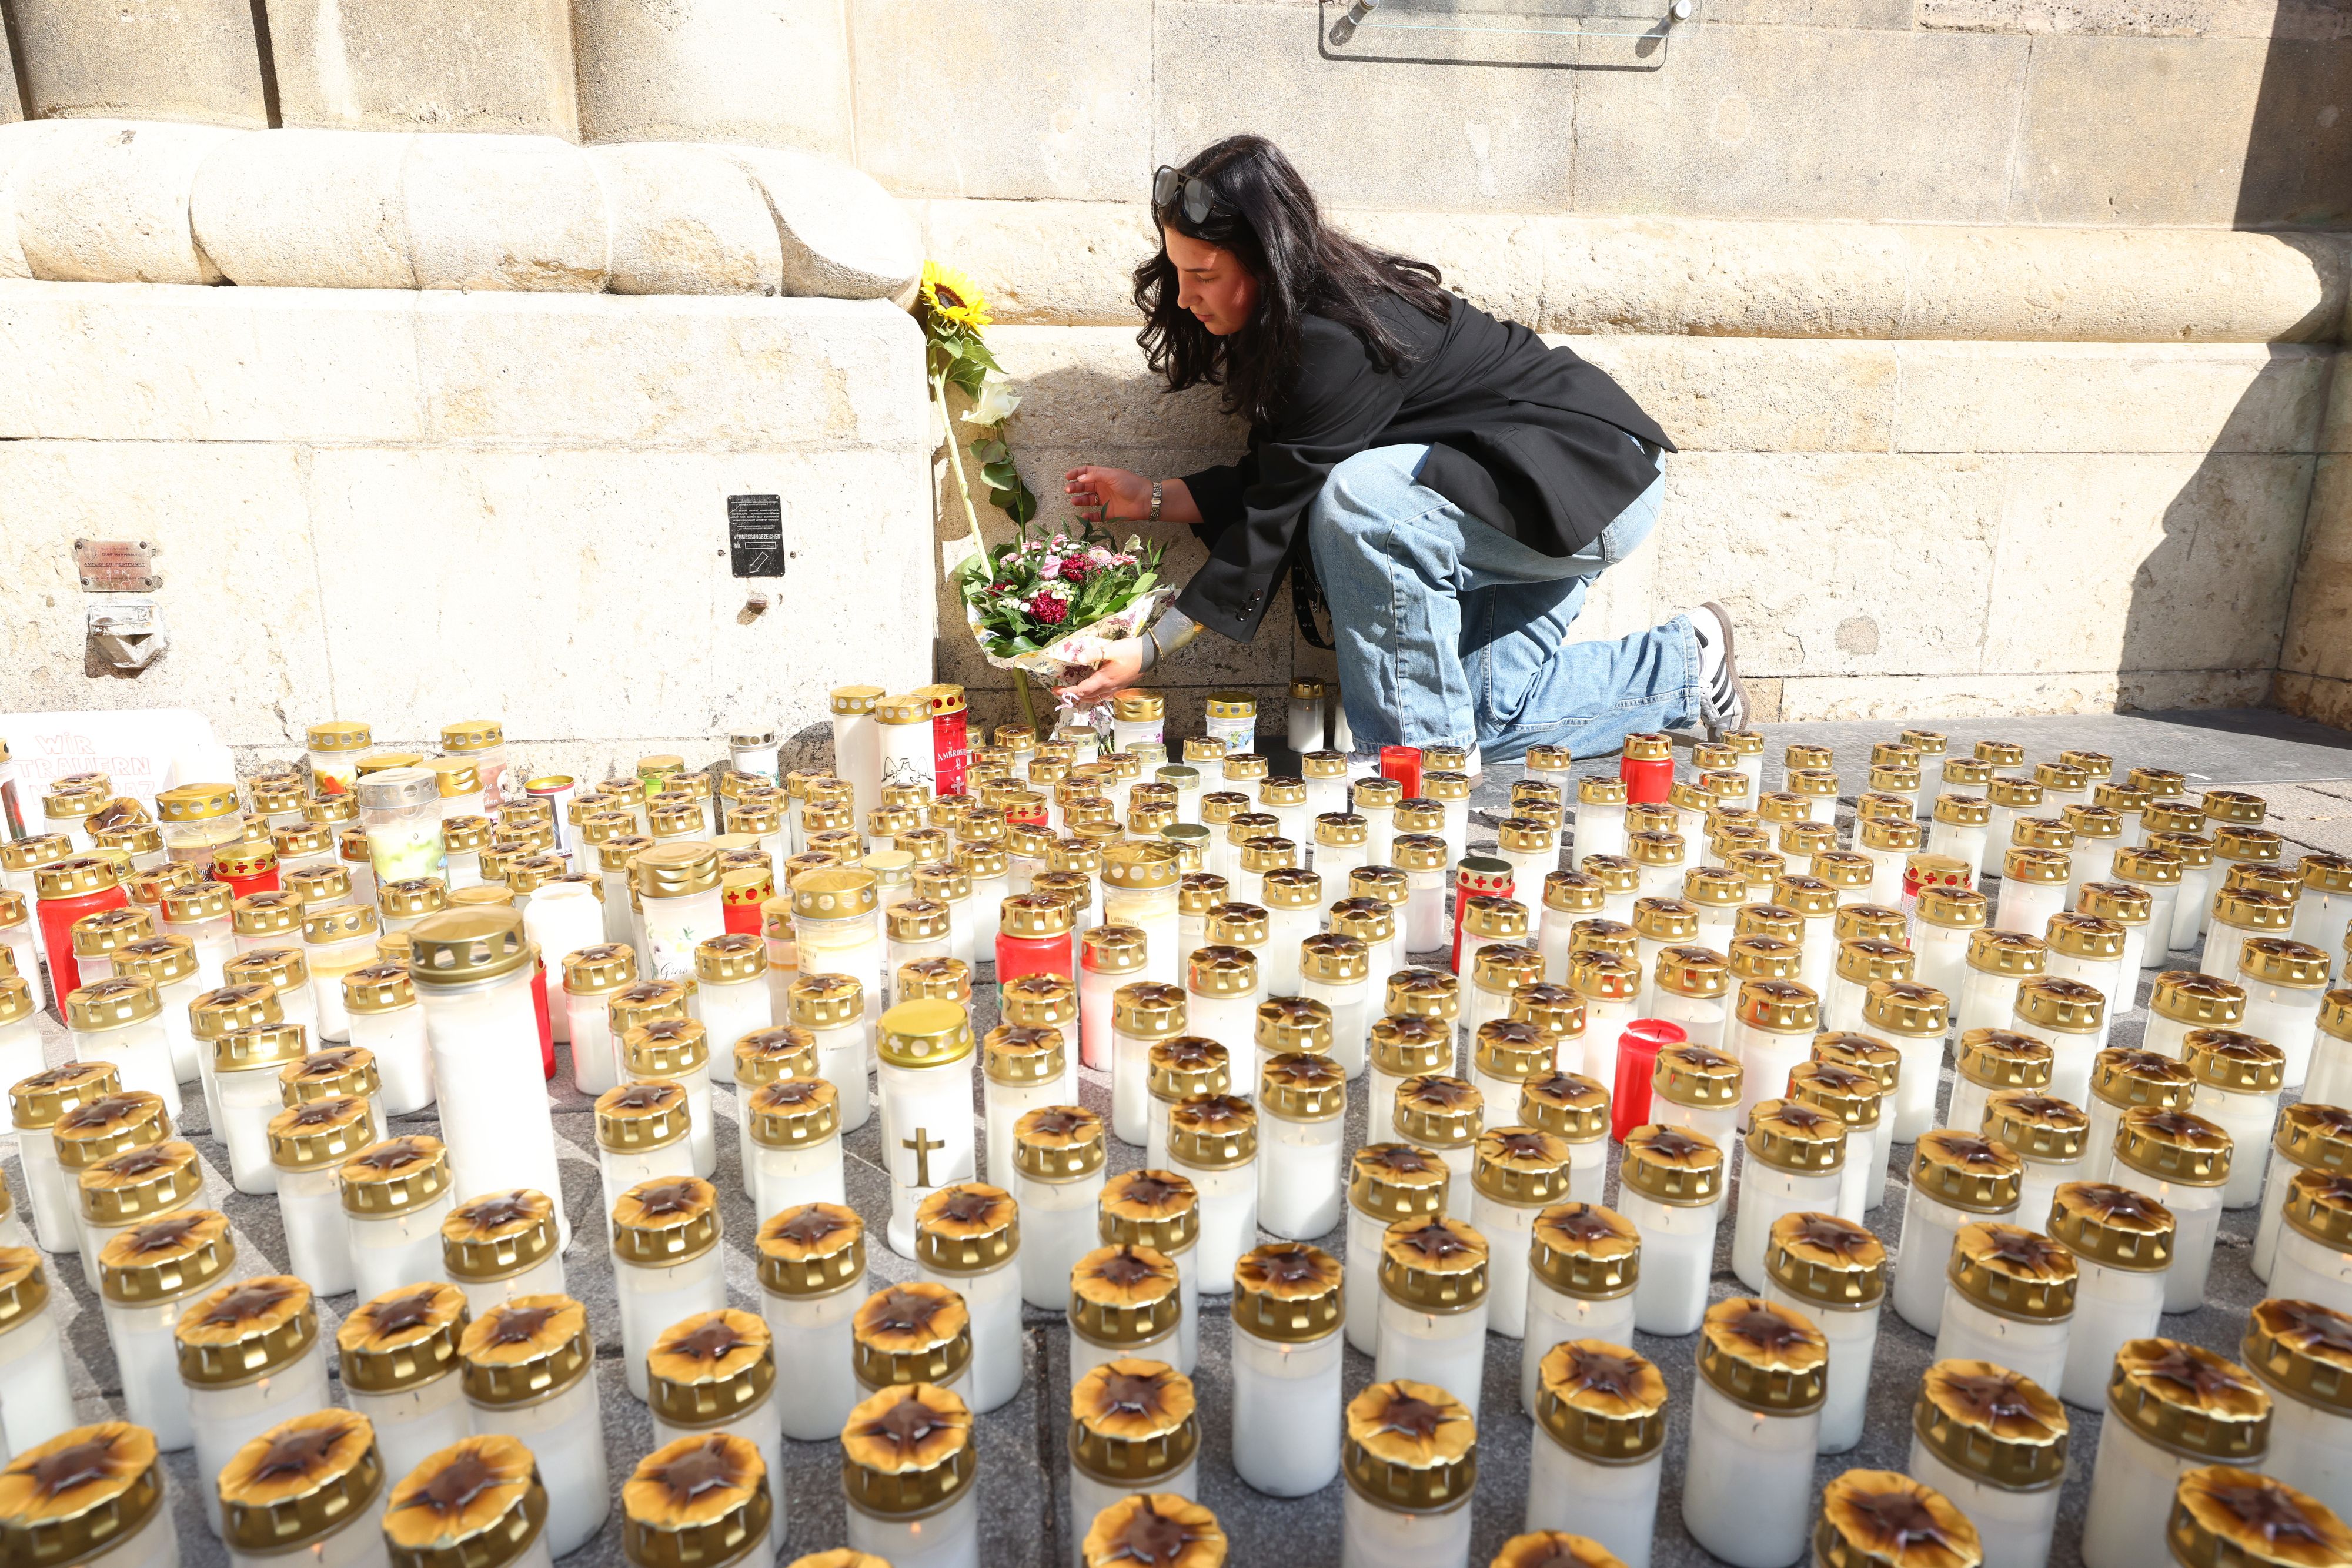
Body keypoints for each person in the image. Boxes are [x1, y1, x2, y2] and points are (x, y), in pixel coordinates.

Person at [1054, 134, 1750, 764]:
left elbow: (1282, 510)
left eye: (1203, 275)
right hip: (1502, 496)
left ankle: (1415, 772)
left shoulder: (1334, 337)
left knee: (1363, 502)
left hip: (1587, 478)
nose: (1183, 297)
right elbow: (1283, 475)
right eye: (1177, 270)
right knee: (1480, 713)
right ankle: (1684, 663)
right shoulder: (1288, 325)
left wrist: (1150, 648)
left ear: (1267, 260)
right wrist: (1150, 498)